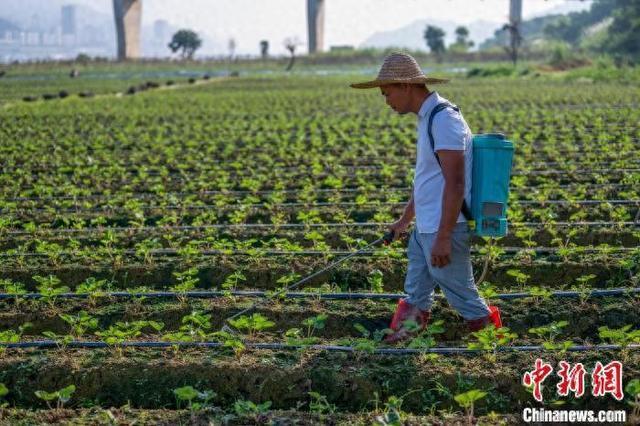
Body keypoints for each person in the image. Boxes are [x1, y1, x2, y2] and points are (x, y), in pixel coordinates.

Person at [350, 52, 501, 343]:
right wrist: (405, 220)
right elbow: (428, 181)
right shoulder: (427, 118)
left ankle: (495, 345)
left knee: (461, 292)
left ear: (406, 86)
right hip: (427, 227)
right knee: (417, 288)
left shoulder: (444, 120)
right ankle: (405, 336)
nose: (386, 100)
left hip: (445, 227)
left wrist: (444, 237)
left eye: (387, 92)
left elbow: (455, 184)